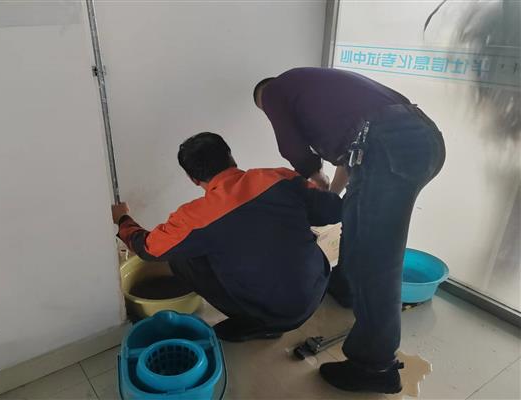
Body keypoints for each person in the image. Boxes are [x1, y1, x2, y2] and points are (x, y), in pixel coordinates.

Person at [254, 68, 446, 393]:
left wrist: (315, 175)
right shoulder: (318, 89)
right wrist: (331, 198)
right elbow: (350, 159)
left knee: (376, 259)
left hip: (388, 147)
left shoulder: (273, 90)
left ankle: (375, 366)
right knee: (358, 227)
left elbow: (292, 149)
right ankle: (346, 288)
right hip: (422, 140)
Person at [112, 132, 342, 342]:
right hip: (317, 286)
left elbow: (148, 249)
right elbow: (333, 211)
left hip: (275, 313)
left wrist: (122, 219)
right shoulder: (279, 178)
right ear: (230, 157)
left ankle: (260, 325)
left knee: (180, 258)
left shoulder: (195, 217)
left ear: (192, 178)